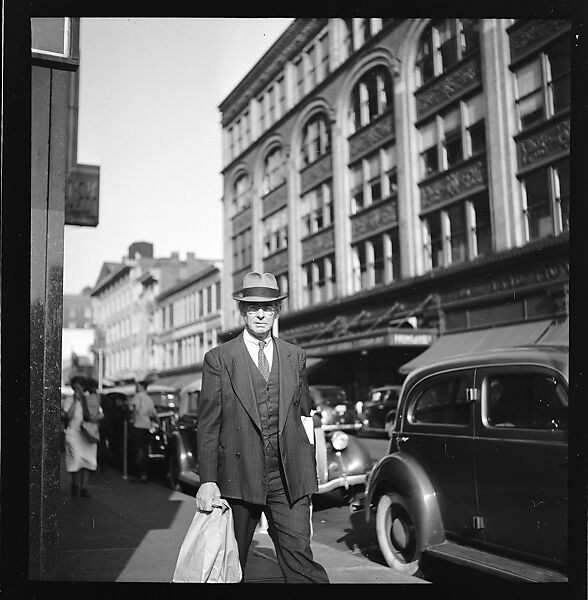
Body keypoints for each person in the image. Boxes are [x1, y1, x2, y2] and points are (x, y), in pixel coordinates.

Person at [195, 271, 329, 583]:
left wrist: (309, 473)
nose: (260, 313)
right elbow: (208, 424)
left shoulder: (295, 356)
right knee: (228, 568)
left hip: (288, 479)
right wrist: (207, 481)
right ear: (242, 310)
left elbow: (303, 417)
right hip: (237, 480)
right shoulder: (219, 359)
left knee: (302, 564)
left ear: (276, 311)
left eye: (267, 307)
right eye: (253, 307)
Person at [61, 374, 102, 498]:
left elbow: (100, 414)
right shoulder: (69, 399)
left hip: (87, 434)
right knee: (76, 459)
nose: (77, 389)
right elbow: (68, 416)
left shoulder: (91, 400)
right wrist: (75, 400)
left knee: (87, 460)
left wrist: (94, 419)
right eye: (75, 387)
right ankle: (75, 483)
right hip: (74, 433)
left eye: (79, 387)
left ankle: (83, 487)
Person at [129, 379, 160, 482]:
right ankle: (144, 473)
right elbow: (155, 414)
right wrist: (158, 424)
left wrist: (133, 422)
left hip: (137, 425)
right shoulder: (148, 398)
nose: (136, 387)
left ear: (142, 386)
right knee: (145, 450)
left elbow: (134, 410)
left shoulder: (137, 396)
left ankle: (138, 473)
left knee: (138, 450)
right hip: (146, 426)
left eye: (137, 385)